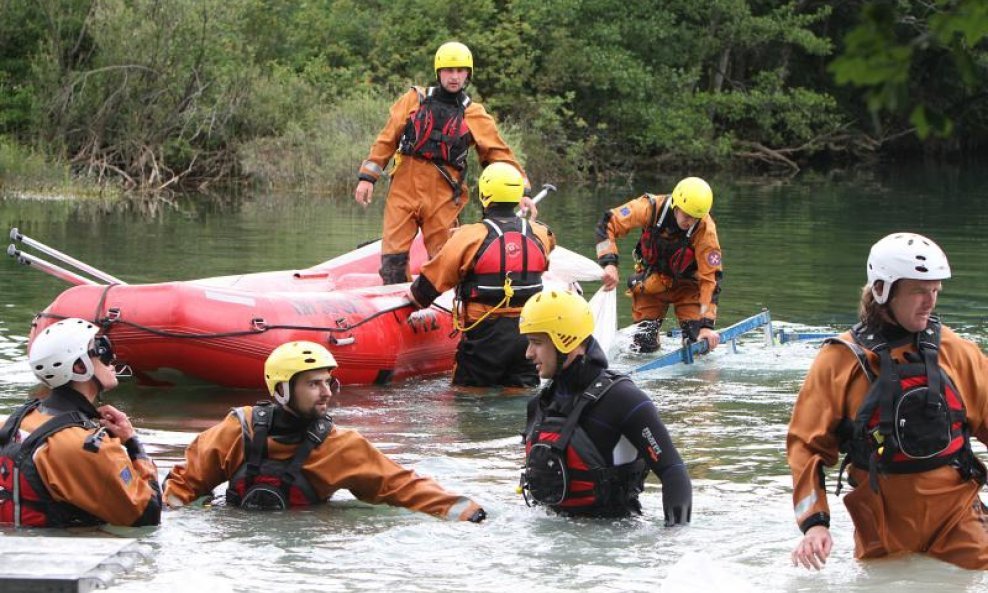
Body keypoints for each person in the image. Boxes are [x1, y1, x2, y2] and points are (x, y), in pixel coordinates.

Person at [788, 232, 988, 571]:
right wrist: (815, 524)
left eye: (935, 291)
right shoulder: (839, 360)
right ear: (882, 290)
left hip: (958, 518)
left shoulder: (958, 352)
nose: (930, 302)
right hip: (882, 525)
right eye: (919, 291)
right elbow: (806, 446)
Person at [163, 340, 487, 522]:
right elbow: (185, 483)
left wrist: (466, 512)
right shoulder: (238, 430)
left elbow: (402, 486)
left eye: (328, 382)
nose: (327, 392)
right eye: (313, 384)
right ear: (282, 390)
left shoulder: (341, 447)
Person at [354, 40, 535, 285]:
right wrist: (367, 178)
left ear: (467, 75)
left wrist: (521, 192)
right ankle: (398, 308)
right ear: (439, 72)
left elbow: (498, 154)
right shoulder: (413, 100)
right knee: (392, 262)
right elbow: (387, 139)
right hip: (404, 189)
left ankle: (447, 307)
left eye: (460, 71)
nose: (454, 77)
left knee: (446, 260)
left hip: (443, 195)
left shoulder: (474, 114)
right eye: (449, 71)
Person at [517, 290, 692, 521]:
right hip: (548, 546)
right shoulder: (539, 405)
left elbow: (673, 472)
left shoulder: (625, 400)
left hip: (615, 543)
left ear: (565, 340)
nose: (528, 354)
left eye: (537, 343)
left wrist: (674, 543)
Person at [0, 318, 161, 527]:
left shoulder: (15, 421)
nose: (112, 357)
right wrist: (132, 443)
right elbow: (148, 514)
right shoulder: (90, 447)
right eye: (102, 349)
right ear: (78, 366)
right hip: (61, 552)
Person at [408, 162, 555, 387]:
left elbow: (430, 283)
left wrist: (415, 299)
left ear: (485, 194)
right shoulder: (541, 234)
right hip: (528, 337)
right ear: (518, 194)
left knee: (469, 399)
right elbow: (543, 253)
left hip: (485, 338)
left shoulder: (469, 237)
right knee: (521, 398)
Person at [595, 177, 723, 353]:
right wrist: (609, 263)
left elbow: (711, 278)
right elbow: (607, 223)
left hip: (689, 289)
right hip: (652, 283)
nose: (690, 223)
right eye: (687, 216)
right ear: (675, 206)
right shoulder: (650, 208)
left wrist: (707, 325)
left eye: (696, 218)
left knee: (698, 345)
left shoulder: (705, 229)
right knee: (643, 345)